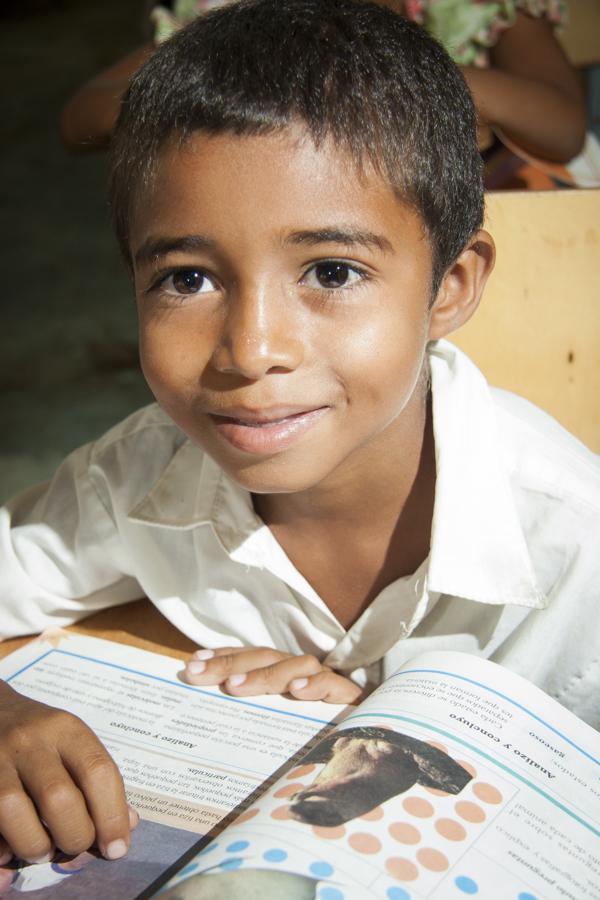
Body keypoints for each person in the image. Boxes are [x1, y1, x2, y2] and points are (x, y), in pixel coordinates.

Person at [1, 0, 598, 871]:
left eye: (331, 271)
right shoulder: (136, 476)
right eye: (188, 278)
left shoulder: (576, 540)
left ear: (450, 287)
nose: (253, 351)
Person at [60, 0, 586, 176]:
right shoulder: (227, 17)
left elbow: (564, 130)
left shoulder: (471, 12)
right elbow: (82, 119)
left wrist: (409, 78)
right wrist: (229, 68)